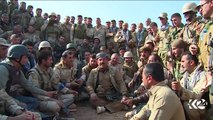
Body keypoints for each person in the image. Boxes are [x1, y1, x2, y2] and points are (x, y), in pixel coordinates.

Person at [172, 52, 211, 120]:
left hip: (204, 103)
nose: (181, 64)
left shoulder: (203, 75)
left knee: (187, 105)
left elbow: (197, 96)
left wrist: (180, 89)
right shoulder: (186, 75)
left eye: (183, 61)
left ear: (191, 62)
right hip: (192, 101)